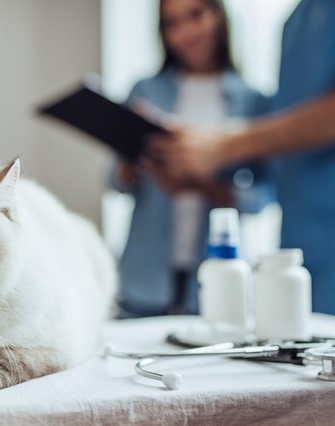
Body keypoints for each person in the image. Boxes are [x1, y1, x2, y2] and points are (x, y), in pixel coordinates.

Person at [153, 0, 335, 319]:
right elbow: (280, 155)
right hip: (295, 245)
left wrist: (225, 146)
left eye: (195, 16)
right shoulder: (294, 22)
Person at [112, 0, 273, 318]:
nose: (185, 32)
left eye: (195, 16)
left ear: (218, 15)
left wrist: (202, 187)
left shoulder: (255, 102)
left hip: (218, 278)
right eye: (172, 23)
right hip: (144, 274)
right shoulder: (145, 91)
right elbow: (113, 180)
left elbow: (264, 197)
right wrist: (135, 162)